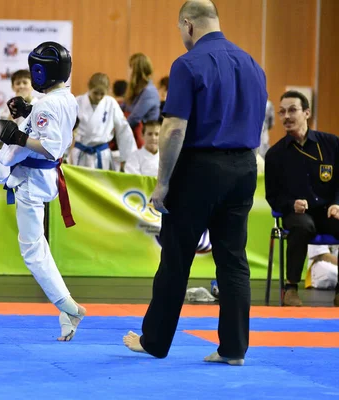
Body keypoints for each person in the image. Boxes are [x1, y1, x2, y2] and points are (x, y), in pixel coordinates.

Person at [122, 0, 267, 366]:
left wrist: (162, 183)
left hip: (200, 168)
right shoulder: (253, 64)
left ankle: (154, 340)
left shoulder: (188, 64)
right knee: (233, 261)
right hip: (245, 167)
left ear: (188, 25)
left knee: (176, 258)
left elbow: (173, 128)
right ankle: (233, 349)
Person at [0, 41, 87, 341]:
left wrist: (18, 134)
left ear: (44, 72)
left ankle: (67, 306)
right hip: (31, 172)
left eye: (35, 70)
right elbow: (51, 130)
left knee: (32, 249)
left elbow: (50, 145)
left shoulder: (48, 104)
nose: (33, 74)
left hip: (30, 178)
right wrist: (26, 113)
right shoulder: (66, 98)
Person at [265, 90, 339, 307]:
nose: (286, 116)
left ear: (307, 113)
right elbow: (273, 197)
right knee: (303, 226)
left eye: (292, 110)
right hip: (296, 215)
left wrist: (337, 202)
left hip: (327, 211)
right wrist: (291, 204)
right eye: (282, 112)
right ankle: (290, 289)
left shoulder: (331, 144)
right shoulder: (275, 155)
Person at [71, 73, 136, 170]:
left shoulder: (111, 103)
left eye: (102, 94)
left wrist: (127, 158)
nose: (98, 97)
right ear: (89, 88)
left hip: (102, 155)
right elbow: (67, 130)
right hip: (80, 153)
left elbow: (123, 130)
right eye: (95, 93)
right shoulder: (77, 102)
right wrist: (64, 154)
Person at [124, 53, 161, 148]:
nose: (128, 70)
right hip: (134, 137)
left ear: (137, 71)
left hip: (146, 140)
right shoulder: (136, 89)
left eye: (130, 67)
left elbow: (135, 117)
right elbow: (123, 106)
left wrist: (116, 131)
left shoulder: (149, 91)